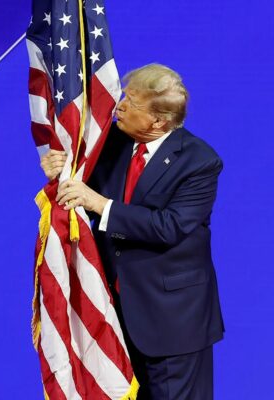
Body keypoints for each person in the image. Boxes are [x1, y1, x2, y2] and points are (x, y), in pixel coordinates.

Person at [41, 63, 225, 400]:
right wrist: (60, 168)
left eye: (132, 103)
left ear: (158, 121)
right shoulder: (111, 142)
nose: (120, 107)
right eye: (124, 97)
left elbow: (169, 227)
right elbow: (81, 190)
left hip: (172, 322)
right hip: (114, 313)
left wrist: (100, 204)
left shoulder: (199, 162)